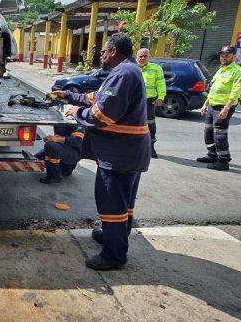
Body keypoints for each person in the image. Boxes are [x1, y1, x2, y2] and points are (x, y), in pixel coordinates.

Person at [60, 33, 151, 271]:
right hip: (127, 151)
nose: (100, 56)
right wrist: (70, 95)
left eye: (102, 52)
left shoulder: (122, 74)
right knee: (124, 202)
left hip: (119, 154)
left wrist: (74, 112)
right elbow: (96, 98)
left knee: (112, 204)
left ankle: (114, 254)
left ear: (112, 51)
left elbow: (102, 115)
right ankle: (115, 235)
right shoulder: (126, 71)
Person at [196, 46, 241, 171]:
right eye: (222, 55)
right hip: (212, 105)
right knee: (208, 132)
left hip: (222, 108)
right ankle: (212, 155)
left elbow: (235, 92)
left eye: (227, 55)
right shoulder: (221, 70)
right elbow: (213, 89)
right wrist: (205, 103)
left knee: (220, 135)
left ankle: (223, 161)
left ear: (234, 56)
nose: (223, 58)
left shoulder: (238, 72)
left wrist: (226, 108)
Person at [136, 48, 166, 158]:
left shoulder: (156, 68)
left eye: (145, 56)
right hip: (134, 101)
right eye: (141, 56)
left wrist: (161, 97)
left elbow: (161, 83)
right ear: (136, 57)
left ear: (149, 57)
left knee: (150, 124)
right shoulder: (133, 68)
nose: (143, 58)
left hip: (149, 101)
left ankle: (150, 147)